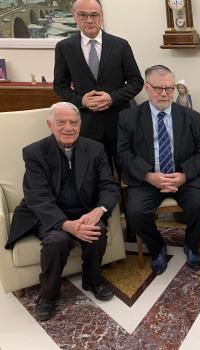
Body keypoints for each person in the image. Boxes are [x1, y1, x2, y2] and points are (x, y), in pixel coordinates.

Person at [5, 102, 119, 321]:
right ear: (50, 125)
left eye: (73, 122)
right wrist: (67, 225)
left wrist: (98, 210)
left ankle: (93, 280)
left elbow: (109, 186)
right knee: (57, 240)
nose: (68, 127)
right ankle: (48, 294)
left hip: (84, 210)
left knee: (97, 230)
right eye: (61, 122)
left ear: (80, 125)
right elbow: (37, 197)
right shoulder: (34, 152)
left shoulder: (95, 149)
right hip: (46, 213)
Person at [118, 65, 200, 275]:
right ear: (146, 87)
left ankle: (191, 243)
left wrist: (184, 175)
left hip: (182, 177)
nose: (164, 94)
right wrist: (149, 176)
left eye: (169, 89)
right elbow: (123, 154)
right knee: (135, 213)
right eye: (158, 88)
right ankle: (157, 247)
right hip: (147, 179)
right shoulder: (128, 118)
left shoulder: (192, 117)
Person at [54, 0, 143, 175]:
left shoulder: (120, 45)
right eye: (83, 15)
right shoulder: (64, 48)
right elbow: (60, 85)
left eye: (94, 15)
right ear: (75, 17)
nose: (89, 20)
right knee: (97, 179)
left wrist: (112, 98)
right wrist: (82, 101)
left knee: (129, 177)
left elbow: (136, 81)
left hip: (119, 124)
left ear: (102, 17)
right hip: (88, 126)